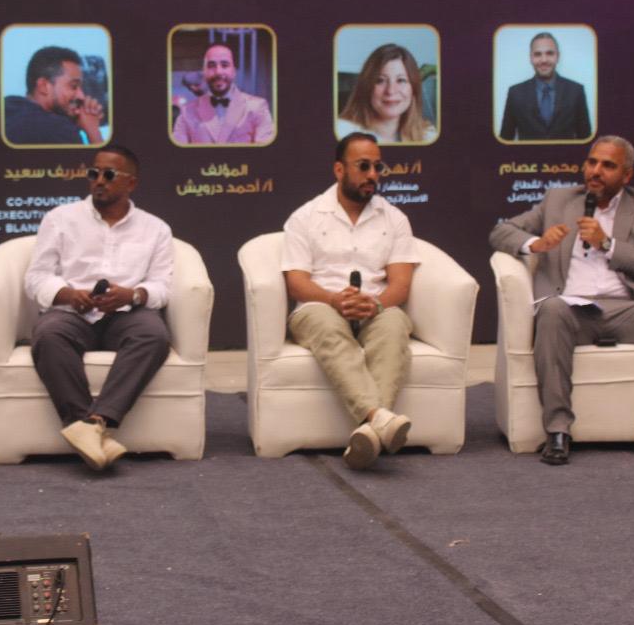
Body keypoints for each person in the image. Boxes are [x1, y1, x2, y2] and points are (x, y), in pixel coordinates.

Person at [488, 135, 634, 465]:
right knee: (552, 310)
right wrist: (536, 244)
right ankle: (558, 431)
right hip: (571, 309)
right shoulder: (559, 200)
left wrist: (608, 245)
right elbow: (501, 232)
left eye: (608, 166)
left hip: (628, 310)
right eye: (592, 162)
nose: (596, 171)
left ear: (627, 175)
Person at [24, 144, 173, 470]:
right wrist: (68, 294)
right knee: (49, 335)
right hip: (71, 313)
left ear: (131, 182)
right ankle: (87, 427)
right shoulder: (60, 219)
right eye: (93, 173)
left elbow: (162, 286)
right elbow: (36, 278)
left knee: (154, 335)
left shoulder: (156, 228)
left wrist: (133, 295)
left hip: (126, 314)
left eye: (109, 174)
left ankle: (96, 422)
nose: (99, 181)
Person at [281, 132, 420, 470]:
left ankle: (370, 431)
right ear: (339, 170)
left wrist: (376, 305)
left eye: (377, 167)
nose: (373, 175)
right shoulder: (305, 217)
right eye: (363, 166)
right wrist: (333, 299)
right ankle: (380, 419)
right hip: (320, 306)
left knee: (394, 325)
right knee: (328, 327)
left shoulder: (394, 218)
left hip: (376, 307)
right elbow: (297, 283)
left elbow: (401, 284)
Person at [171, 44, 275, 145]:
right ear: (204, 72)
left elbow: (264, 152)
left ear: (234, 71)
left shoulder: (257, 107)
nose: (218, 72)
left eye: (225, 65)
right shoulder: (187, 111)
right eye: (211, 66)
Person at [499, 32, 592, 142]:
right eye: (538, 54)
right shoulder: (515, 93)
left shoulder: (576, 91)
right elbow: (505, 139)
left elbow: (586, 139)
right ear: (530, 58)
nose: (544, 60)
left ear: (558, 56)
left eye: (550, 53)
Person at [336, 43, 437, 144]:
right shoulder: (342, 132)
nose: (390, 91)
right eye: (380, 80)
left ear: (413, 89)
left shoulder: (428, 135)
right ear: (366, 87)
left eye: (401, 80)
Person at [5, 46, 106, 146]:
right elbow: (102, 157)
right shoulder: (58, 129)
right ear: (44, 86)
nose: (82, 96)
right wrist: (93, 131)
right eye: (73, 86)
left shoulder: (8, 111)